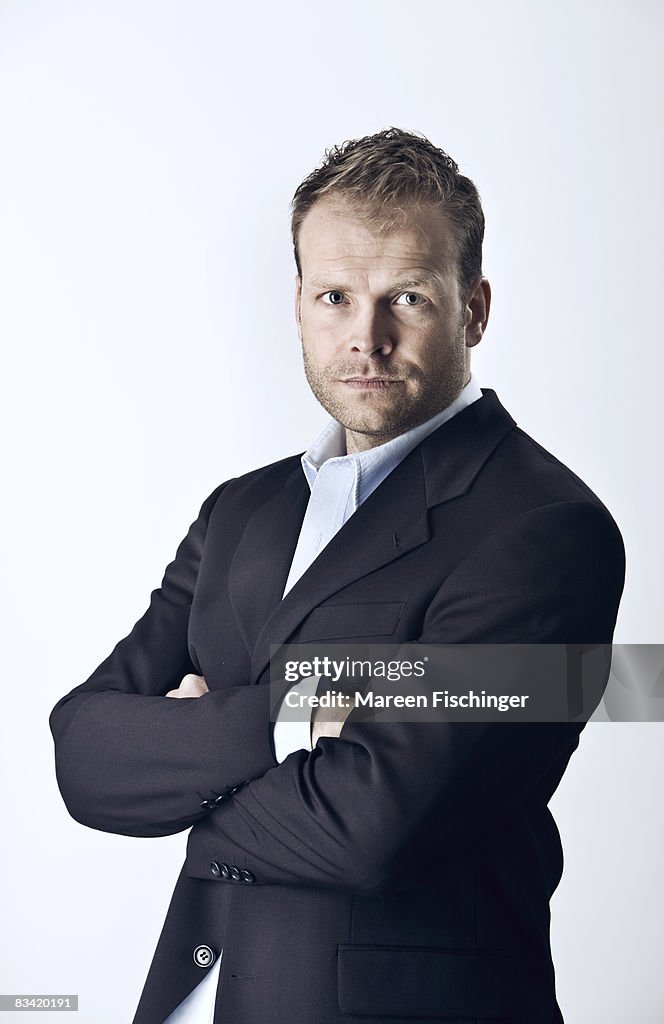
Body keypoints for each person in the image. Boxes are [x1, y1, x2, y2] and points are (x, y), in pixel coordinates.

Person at [49, 128, 626, 1024]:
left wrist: (188, 763)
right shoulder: (239, 512)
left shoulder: (544, 531)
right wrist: (285, 720)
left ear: (473, 309)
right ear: (298, 304)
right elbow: (84, 754)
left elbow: (371, 827)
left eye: (407, 297)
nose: (368, 337)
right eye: (335, 296)